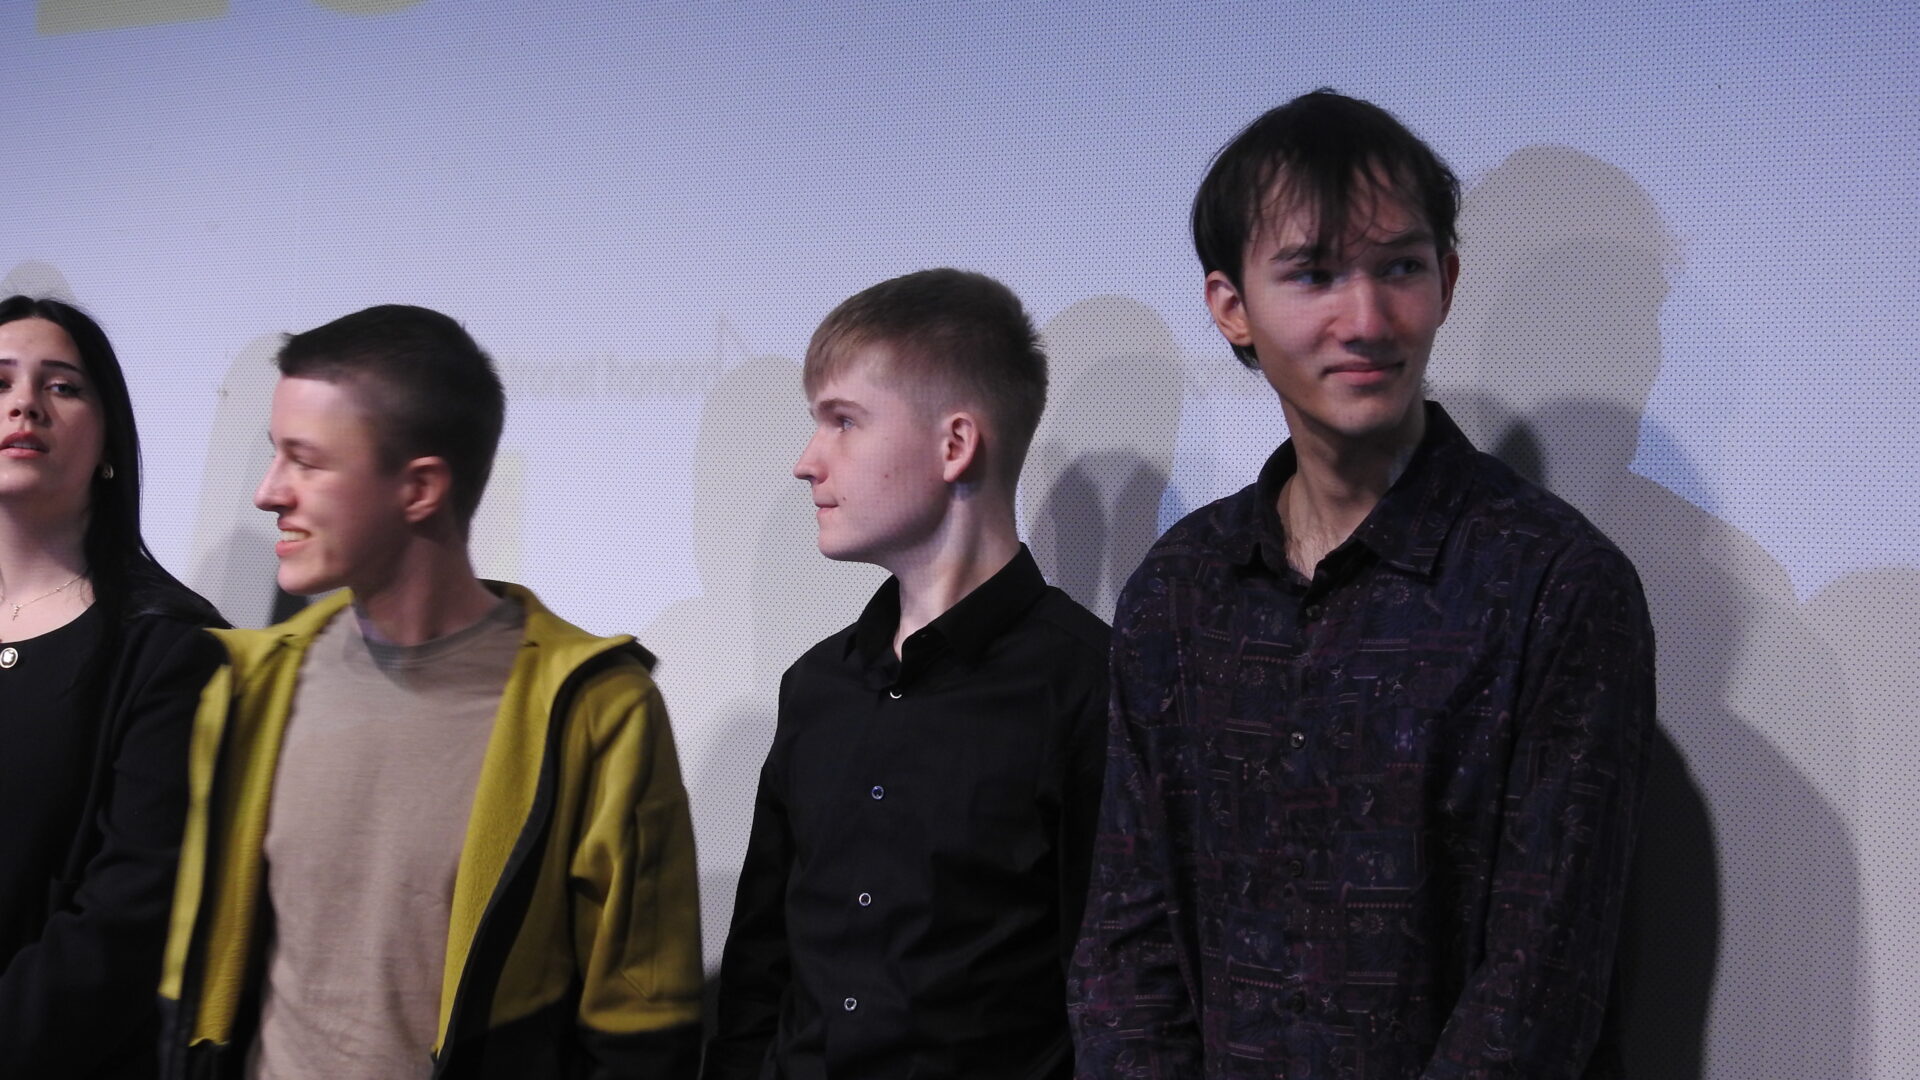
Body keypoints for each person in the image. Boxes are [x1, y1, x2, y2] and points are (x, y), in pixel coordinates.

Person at [1068, 90, 1656, 1078]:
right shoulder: (1178, 591)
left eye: (1400, 268)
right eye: (1313, 274)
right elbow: (1128, 943)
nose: (1368, 319)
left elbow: (1539, 990)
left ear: (1448, 280)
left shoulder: (1556, 586)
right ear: (1231, 306)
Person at [157, 305, 702, 1079]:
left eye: (305, 462)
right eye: (274, 455)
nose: (269, 492)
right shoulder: (250, 687)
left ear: (419, 488)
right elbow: (194, 976)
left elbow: (641, 1026)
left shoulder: (595, 711)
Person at [704, 269, 1111, 1079]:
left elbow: (1113, 995)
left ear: (954, 445)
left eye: (844, 422)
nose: (806, 462)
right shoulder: (816, 688)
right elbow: (758, 972)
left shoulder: (1088, 687)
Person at [0, 296, 226, 1078]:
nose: (24, 403)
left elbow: (128, 922)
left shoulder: (170, 646)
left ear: (108, 443)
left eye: (61, 386)